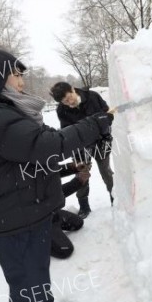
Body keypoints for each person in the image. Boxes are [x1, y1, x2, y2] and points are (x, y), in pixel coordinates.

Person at [0, 48, 112, 302]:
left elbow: (29, 159)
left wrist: (67, 169)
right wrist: (95, 124)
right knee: (29, 288)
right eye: (16, 75)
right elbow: (48, 145)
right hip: (16, 217)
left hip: (25, 210)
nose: (21, 82)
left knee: (35, 283)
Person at [50, 82, 114, 218]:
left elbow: (107, 115)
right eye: (65, 101)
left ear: (73, 89)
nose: (69, 102)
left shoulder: (92, 97)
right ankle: (84, 206)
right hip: (80, 146)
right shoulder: (62, 110)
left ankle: (115, 196)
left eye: (70, 97)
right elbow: (67, 131)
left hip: (101, 141)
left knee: (106, 171)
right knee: (82, 173)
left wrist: (106, 137)